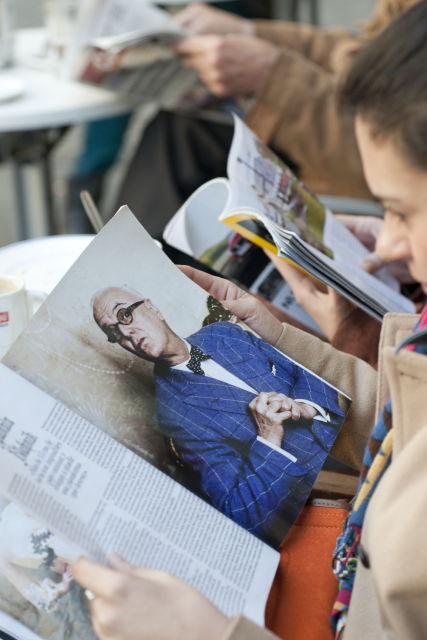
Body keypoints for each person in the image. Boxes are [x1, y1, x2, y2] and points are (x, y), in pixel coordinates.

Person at [74, 3, 427, 638]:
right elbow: (404, 423)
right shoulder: (209, 357)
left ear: (151, 304)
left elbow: (246, 507)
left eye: (400, 209)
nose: (387, 243)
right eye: (115, 329)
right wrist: (284, 340)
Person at [91, 286, 345, 544]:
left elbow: (304, 367)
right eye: (114, 333)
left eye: (124, 315)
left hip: (346, 430)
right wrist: (268, 438)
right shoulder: (175, 418)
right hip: (326, 489)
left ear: (152, 308)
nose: (126, 333)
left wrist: (306, 406)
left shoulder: (223, 332)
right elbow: (244, 515)